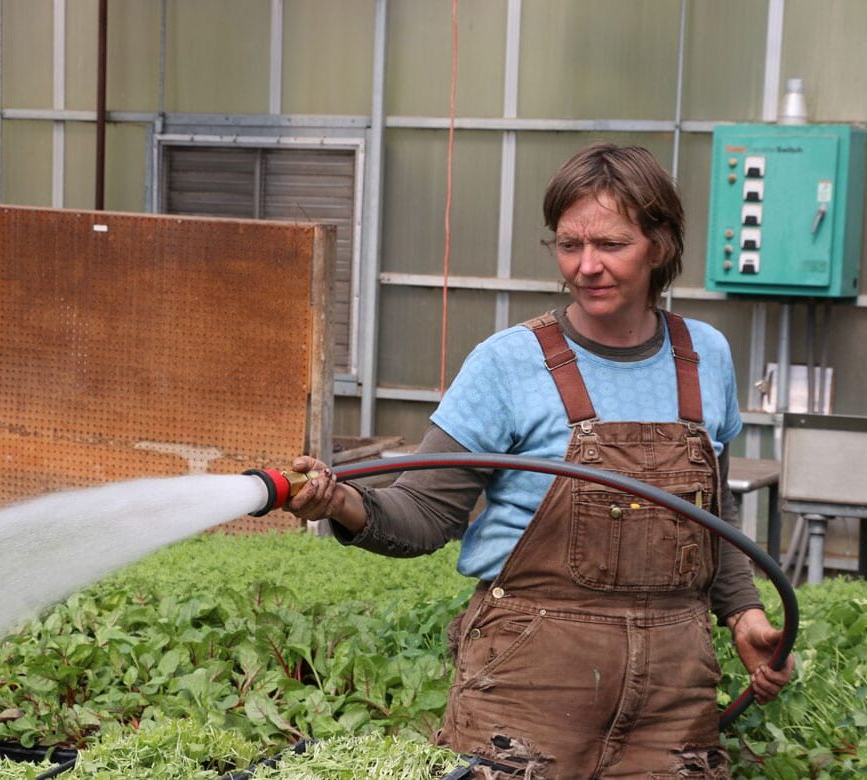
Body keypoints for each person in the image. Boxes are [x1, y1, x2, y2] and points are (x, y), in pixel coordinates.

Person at [286, 142, 795, 779]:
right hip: (530, 683)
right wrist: (339, 501)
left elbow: (703, 521)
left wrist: (745, 616)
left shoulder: (704, 357)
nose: (587, 266)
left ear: (660, 246)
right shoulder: (509, 363)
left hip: (674, 696)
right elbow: (423, 512)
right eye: (568, 245)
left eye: (611, 245)